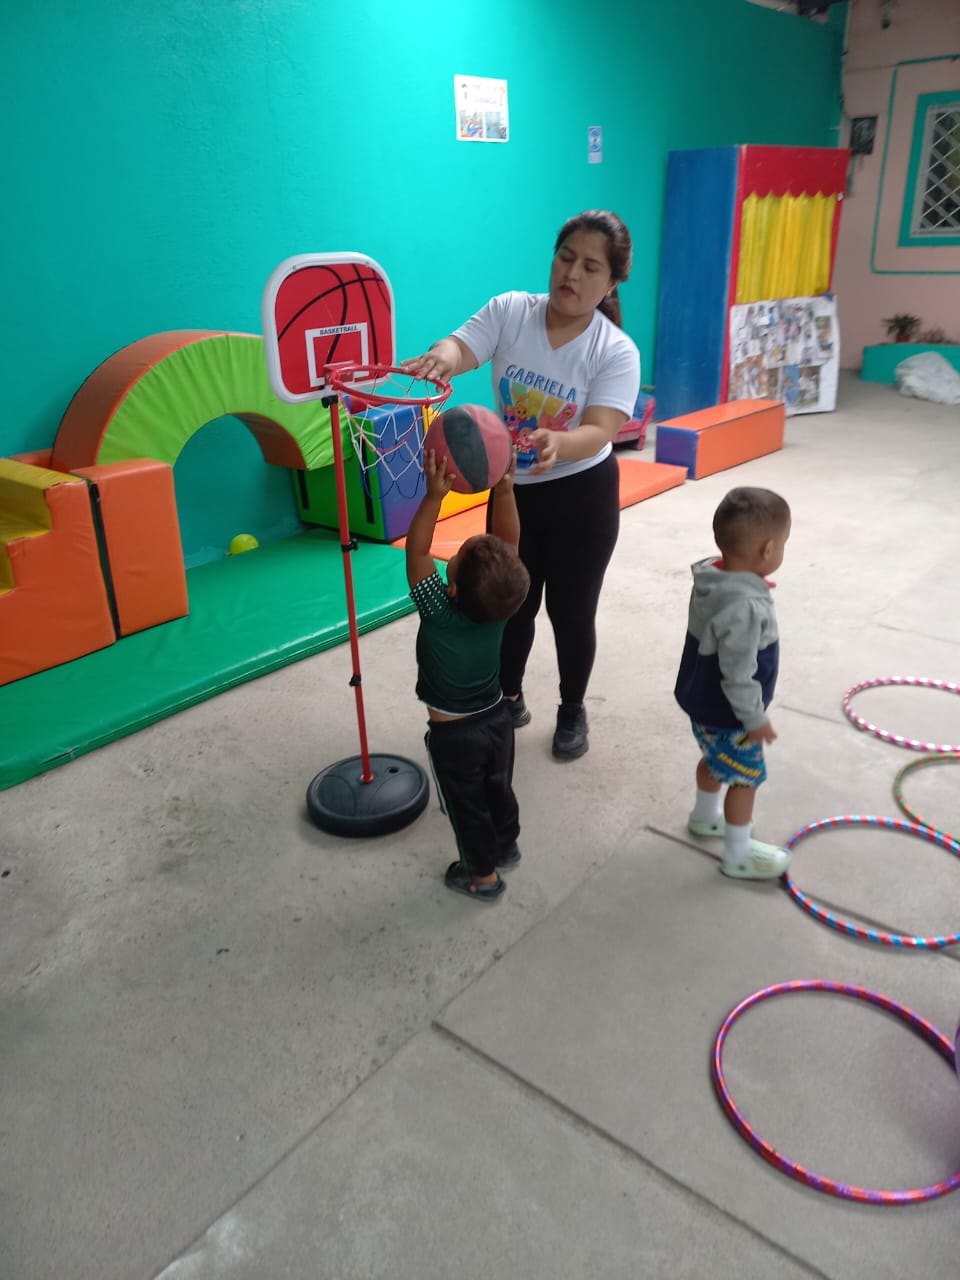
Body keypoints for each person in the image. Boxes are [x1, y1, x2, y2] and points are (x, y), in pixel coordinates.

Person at [403, 210, 641, 761]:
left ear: (612, 282)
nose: (572, 274)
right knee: (510, 604)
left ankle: (572, 708)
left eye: (590, 267)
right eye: (565, 257)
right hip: (514, 490)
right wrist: (442, 357)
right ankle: (508, 696)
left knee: (573, 613)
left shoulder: (614, 351)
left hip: (582, 495)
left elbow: (602, 428)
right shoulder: (512, 311)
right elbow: (462, 345)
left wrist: (562, 442)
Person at [406, 447, 530, 903]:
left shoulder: (438, 611)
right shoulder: (504, 603)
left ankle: (482, 877)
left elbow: (417, 549)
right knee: (498, 788)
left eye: (456, 555)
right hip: (498, 720)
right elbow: (509, 543)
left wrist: (433, 497)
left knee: (467, 808)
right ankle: (507, 845)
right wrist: (505, 490)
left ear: (453, 586)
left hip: (455, 738)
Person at [674, 487, 792, 881]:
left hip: (701, 700)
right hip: (730, 714)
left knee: (714, 759)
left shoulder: (713, 578)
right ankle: (738, 855)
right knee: (745, 777)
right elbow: (739, 675)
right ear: (768, 550)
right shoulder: (746, 606)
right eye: (784, 544)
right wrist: (755, 719)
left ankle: (704, 816)